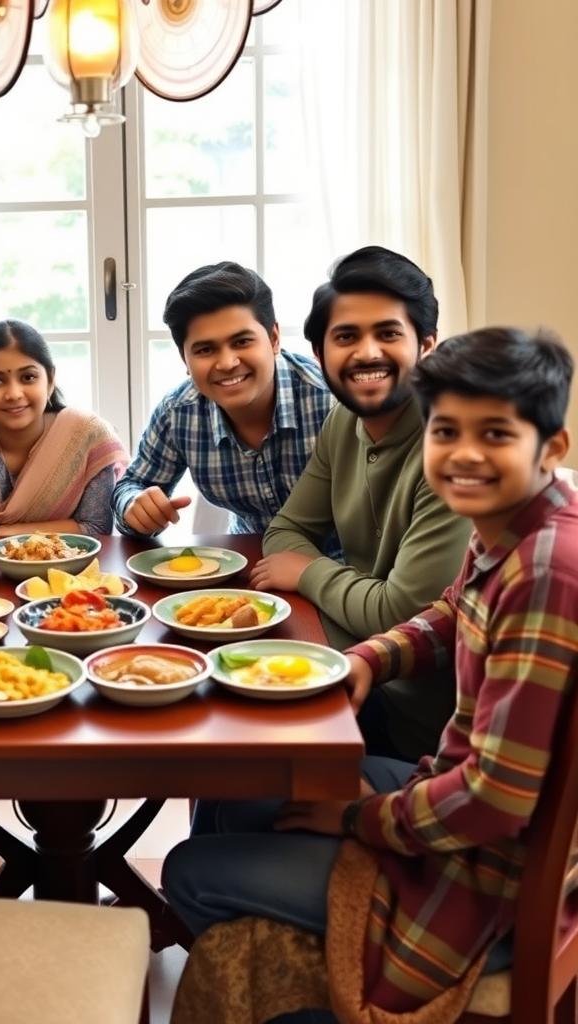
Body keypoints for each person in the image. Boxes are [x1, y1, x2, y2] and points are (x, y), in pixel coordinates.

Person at [163, 328, 578, 1017]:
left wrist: (357, 817)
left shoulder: (546, 571)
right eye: (446, 431)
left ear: (551, 446)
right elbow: (451, 609)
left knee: (191, 872)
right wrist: (368, 657)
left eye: (496, 434)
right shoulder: (521, 521)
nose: (465, 454)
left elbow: (495, 801)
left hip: (494, 876)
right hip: (465, 803)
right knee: (244, 791)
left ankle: (298, 989)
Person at [250, 246, 472, 761]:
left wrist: (308, 574)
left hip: (423, 739)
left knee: (244, 760)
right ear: (320, 351)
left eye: (388, 334)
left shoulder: (457, 451)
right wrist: (353, 597)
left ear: (428, 346)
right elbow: (284, 531)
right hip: (361, 673)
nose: (366, 353)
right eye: (346, 336)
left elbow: (403, 614)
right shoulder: (343, 422)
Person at [111, 262, 331, 537]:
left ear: (274, 339)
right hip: (246, 561)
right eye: (205, 349)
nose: (227, 363)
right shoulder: (178, 413)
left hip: (340, 565)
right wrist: (135, 506)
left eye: (242, 342)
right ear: (185, 359)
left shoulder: (330, 401)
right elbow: (133, 485)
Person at [0, 319, 127, 538]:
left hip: (72, 570)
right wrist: (66, 527)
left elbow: (96, 528)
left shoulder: (88, 436)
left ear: (50, 380)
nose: (14, 394)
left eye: (28, 377)